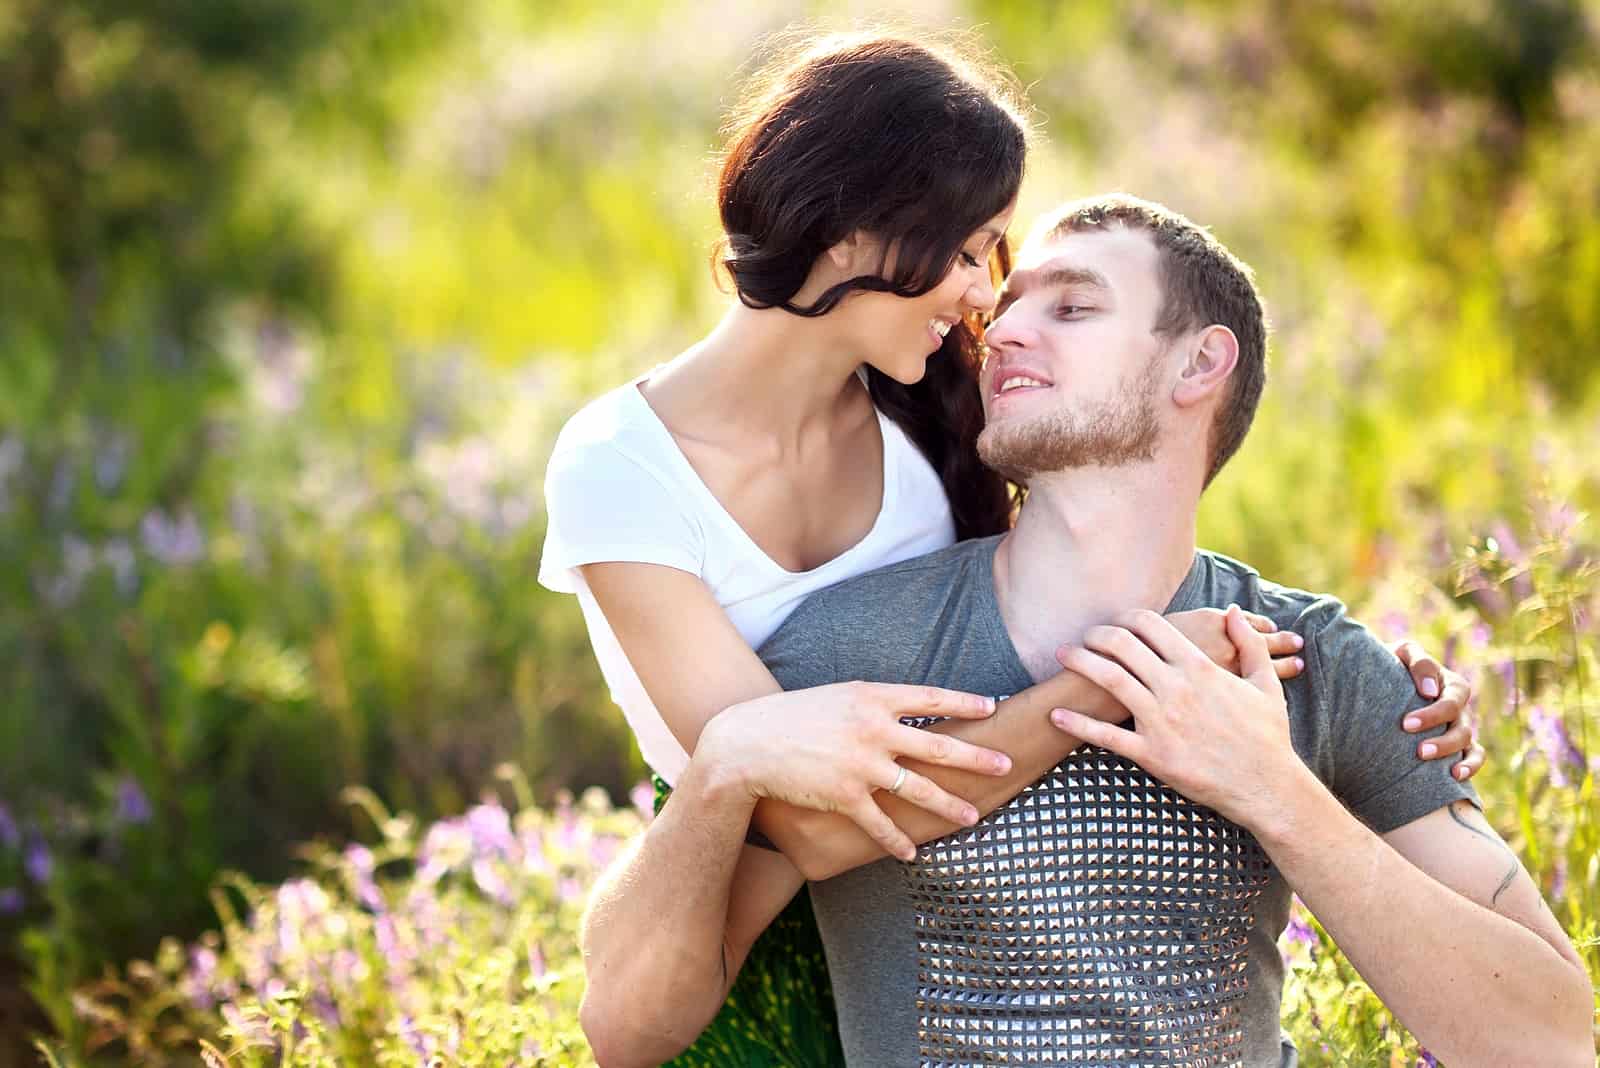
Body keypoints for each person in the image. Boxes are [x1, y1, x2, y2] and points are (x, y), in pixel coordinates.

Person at [542, 31, 1478, 1067]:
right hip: (737, 918)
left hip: (931, 887)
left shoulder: (926, 415)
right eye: (967, 250)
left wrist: (1363, 695)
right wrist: (1133, 676)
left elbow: (1090, 551)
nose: (984, 296)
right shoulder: (622, 466)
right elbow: (804, 823)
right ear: (857, 232)